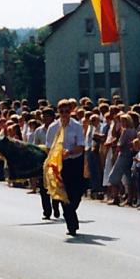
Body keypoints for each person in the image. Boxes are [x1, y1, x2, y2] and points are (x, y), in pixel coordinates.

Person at [48, 100, 86, 236]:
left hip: (75, 162)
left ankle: (70, 211)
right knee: (65, 193)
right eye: (61, 111)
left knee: (77, 192)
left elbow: (81, 146)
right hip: (60, 164)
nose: (64, 114)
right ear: (58, 112)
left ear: (71, 111)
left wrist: (70, 152)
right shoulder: (53, 128)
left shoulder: (77, 126)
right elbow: (48, 147)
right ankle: (71, 224)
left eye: (67, 111)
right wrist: (57, 154)